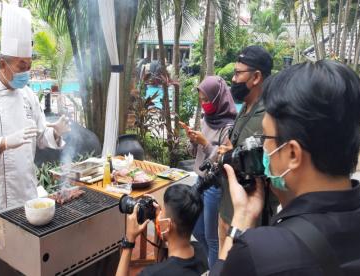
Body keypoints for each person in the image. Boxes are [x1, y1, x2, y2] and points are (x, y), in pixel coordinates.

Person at [211, 60, 360, 275]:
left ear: (292, 154)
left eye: (266, 138)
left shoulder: (259, 252)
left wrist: (241, 218)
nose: (263, 148)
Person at [0, 5, 69, 276]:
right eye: (21, 66)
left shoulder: (28, 96)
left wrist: (55, 131)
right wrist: (2, 143)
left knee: (22, 264)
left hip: (24, 196)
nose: (27, 71)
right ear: (3, 63)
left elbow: (40, 136)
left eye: (30, 65)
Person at [217, 46, 278, 248]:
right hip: (228, 206)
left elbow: (262, 164)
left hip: (250, 215)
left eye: (238, 73)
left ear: (256, 77)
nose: (233, 79)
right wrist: (228, 152)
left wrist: (232, 157)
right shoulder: (245, 106)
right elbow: (234, 146)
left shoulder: (268, 115)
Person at [180, 76, 236, 268]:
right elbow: (197, 155)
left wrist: (205, 143)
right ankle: (212, 266)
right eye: (201, 100)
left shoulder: (229, 127)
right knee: (196, 227)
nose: (204, 104)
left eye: (207, 100)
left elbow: (222, 161)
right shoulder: (206, 119)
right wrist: (193, 141)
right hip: (200, 179)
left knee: (212, 238)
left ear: (218, 98)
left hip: (215, 185)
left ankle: (214, 270)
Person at [116, 184, 208, 276]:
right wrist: (159, 223)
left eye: (162, 212)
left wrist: (129, 241)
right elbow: (171, 261)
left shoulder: (152, 273)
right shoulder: (201, 251)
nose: (158, 215)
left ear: (168, 225)